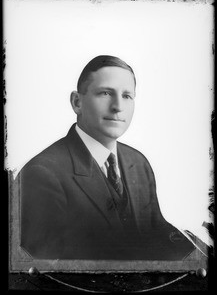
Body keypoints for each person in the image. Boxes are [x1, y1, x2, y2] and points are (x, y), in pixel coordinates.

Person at [19, 55, 202, 260]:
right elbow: (48, 269)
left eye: (127, 96)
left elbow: (155, 233)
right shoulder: (41, 175)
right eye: (105, 93)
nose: (117, 106)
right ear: (77, 102)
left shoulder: (138, 163)